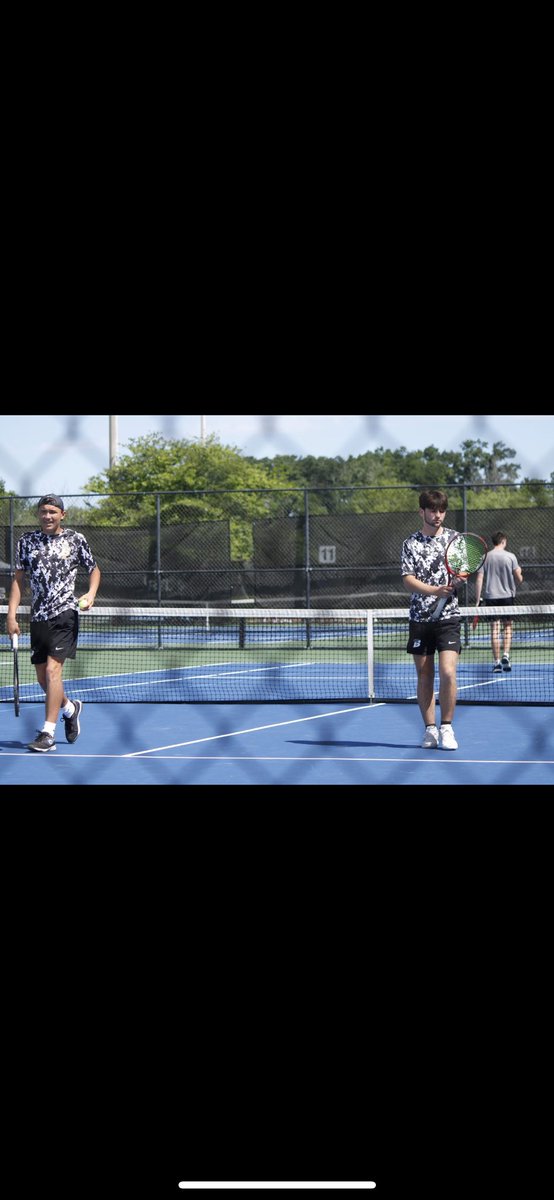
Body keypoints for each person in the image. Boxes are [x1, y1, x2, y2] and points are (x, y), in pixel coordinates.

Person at [6, 494, 101, 752]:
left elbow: (94, 569)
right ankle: (70, 709)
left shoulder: (76, 540)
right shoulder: (26, 541)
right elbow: (18, 580)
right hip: (38, 617)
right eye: (43, 511)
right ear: (38, 514)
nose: (47, 516)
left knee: (52, 671)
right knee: (42, 678)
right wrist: (11, 615)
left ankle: (47, 733)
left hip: (65, 614)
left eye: (52, 511)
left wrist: (91, 593)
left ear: (62, 515)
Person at [401, 489, 461, 751]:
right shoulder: (410, 543)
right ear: (421, 512)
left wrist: (459, 580)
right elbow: (408, 580)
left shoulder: (455, 540)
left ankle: (447, 728)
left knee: (448, 672)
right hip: (420, 618)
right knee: (425, 675)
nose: (438, 515)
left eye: (442, 510)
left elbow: (463, 571)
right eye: (433, 510)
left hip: (448, 617)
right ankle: (430, 730)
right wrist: (434, 591)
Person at [474, 531, 523, 672]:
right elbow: (519, 579)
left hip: (491, 597)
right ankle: (505, 655)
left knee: (494, 629)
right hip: (507, 597)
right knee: (508, 627)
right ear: (503, 541)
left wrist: (477, 600)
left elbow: (479, 579)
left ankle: (497, 663)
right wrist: (520, 573)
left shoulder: (485, 557)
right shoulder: (511, 556)